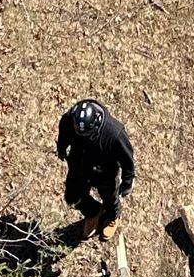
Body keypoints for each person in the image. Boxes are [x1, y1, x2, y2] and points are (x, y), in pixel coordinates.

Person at [55, 98, 136, 237]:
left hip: (104, 170)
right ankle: (93, 213)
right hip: (78, 163)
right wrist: (62, 148)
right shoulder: (71, 118)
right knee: (72, 196)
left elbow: (127, 161)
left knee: (110, 198)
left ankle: (112, 217)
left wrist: (127, 183)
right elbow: (64, 132)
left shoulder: (114, 133)